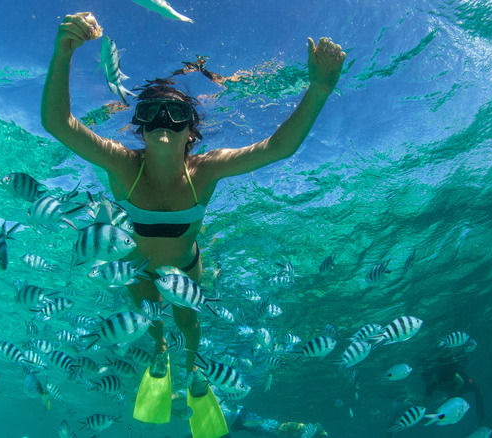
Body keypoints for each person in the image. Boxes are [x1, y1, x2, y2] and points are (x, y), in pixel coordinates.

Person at [41, 11, 345, 438]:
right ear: (140, 127)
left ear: (191, 132)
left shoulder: (206, 170)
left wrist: (319, 88)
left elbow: (279, 147)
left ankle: (194, 372)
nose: (164, 122)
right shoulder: (121, 163)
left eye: (176, 114)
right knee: (152, 326)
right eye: (152, 112)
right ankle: (160, 355)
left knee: (190, 324)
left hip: (188, 268)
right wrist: (63, 53)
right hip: (136, 270)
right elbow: (58, 123)